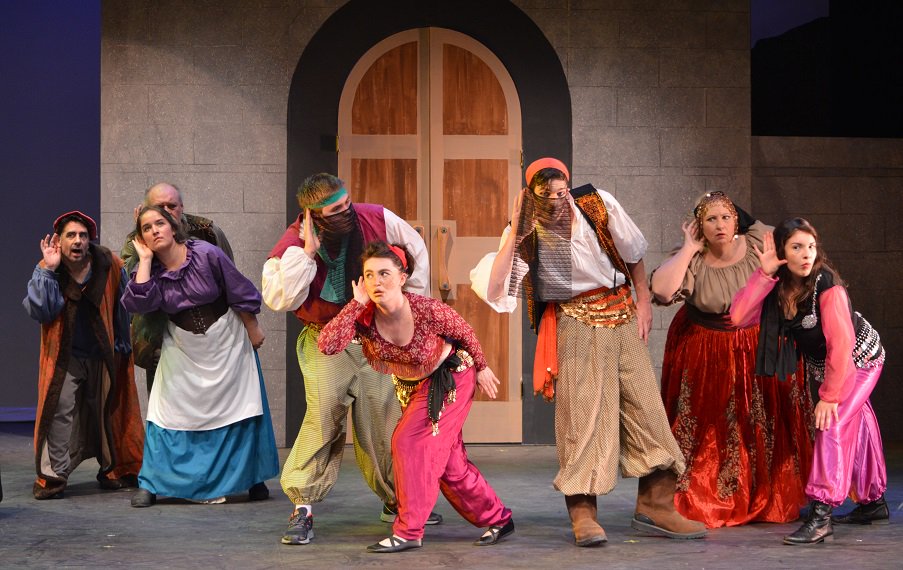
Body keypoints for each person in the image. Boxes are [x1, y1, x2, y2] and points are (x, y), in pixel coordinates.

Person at [471, 158, 706, 546]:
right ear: (532, 196)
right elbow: (496, 290)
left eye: (561, 193)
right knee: (582, 417)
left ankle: (656, 505)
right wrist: (515, 230)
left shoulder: (597, 203)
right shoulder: (525, 230)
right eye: (546, 197)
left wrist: (643, 300)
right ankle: (583, 514)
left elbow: (633, 253)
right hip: (576, 320)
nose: (557, 202)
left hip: (620, 312)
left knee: (647, 409)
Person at [262, 173, 437, 546]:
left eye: (346, 204)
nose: (345, 212)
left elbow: (415, 250)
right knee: (323, 416)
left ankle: (397, 500)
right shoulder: (293, 244)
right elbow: (281, 298)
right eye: (334, 210)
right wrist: (308, 253)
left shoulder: (376, 217)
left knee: (384, 421)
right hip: (326, 339)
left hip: (374, 336)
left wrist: (406, 308)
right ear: (313, 214)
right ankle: (303, 506)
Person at [318, 241, 514, 552]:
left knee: (407, 442)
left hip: (451, 377)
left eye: (384, 273)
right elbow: (327, 345)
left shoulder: (426, 309)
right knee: (450, 466)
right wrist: (355, 305)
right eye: (369, 275)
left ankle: (409, 531)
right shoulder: (364, 318)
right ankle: (499, 518)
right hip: (412, 388)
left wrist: (482, 366)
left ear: (402, 277)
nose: (376, 282)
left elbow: (465, 332)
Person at [649, 192, 813, 527]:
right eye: (711, 219)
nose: (719, 225)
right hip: (706, 345)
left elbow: (798, 251)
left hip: (755, 341)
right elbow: (663, 292)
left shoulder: (757, 242)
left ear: (737, 219)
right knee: (712, 425)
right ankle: (713, 492)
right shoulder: (693, 257)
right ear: (699, 225)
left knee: (757, 422)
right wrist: (689, 248)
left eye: (726, 217)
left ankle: (763, 492)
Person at [730, 218, 889, 545]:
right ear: (782, 252)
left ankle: (821, 515)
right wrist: (764, 274)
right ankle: (873, 502)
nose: (806, 254)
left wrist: (830, 396)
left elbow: (841, 343)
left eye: (811, 247)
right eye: (797, 247)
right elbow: (739, 316)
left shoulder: (826, 284)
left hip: (860, 359)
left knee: (831, 424)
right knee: (859, 425)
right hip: (831, 366)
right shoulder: (777, 286)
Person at [121, 205, 278, 507]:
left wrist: (252, 327)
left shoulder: (205, 253)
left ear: (172, 226)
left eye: (159, 223)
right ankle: (152, 483)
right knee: (165, 412)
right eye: (146, 228)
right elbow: (139, 304)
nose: (154, 231)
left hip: (226, 339)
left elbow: (236, 289)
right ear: (141, 238)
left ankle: (251, 478)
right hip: (182, 346)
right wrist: (145, 260)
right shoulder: (148, 270)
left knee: (241, 408)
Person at [23, 210, 144, 499]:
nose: (78, 241)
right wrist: (48, 271)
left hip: (103, 355)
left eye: (83, 235)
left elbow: (123, 305)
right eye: (71, 235)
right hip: (66, 357)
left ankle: (115, 469)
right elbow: (41, 311)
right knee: (59, 412)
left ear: (90, 239)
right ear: (59, 241)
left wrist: (123, 343)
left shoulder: (108, 264)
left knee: (110, 410)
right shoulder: (49, 268)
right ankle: (54, 476)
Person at [121, 182, 234, 394]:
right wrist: (142, 247)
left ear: (181, 206)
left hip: (212, 337)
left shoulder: (207, 232)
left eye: (171, 206)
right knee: (166, 402)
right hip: (160, 340)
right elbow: (129, 286)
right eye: (159, 207)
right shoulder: (136, 240)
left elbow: (230, 279)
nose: (166, 211)